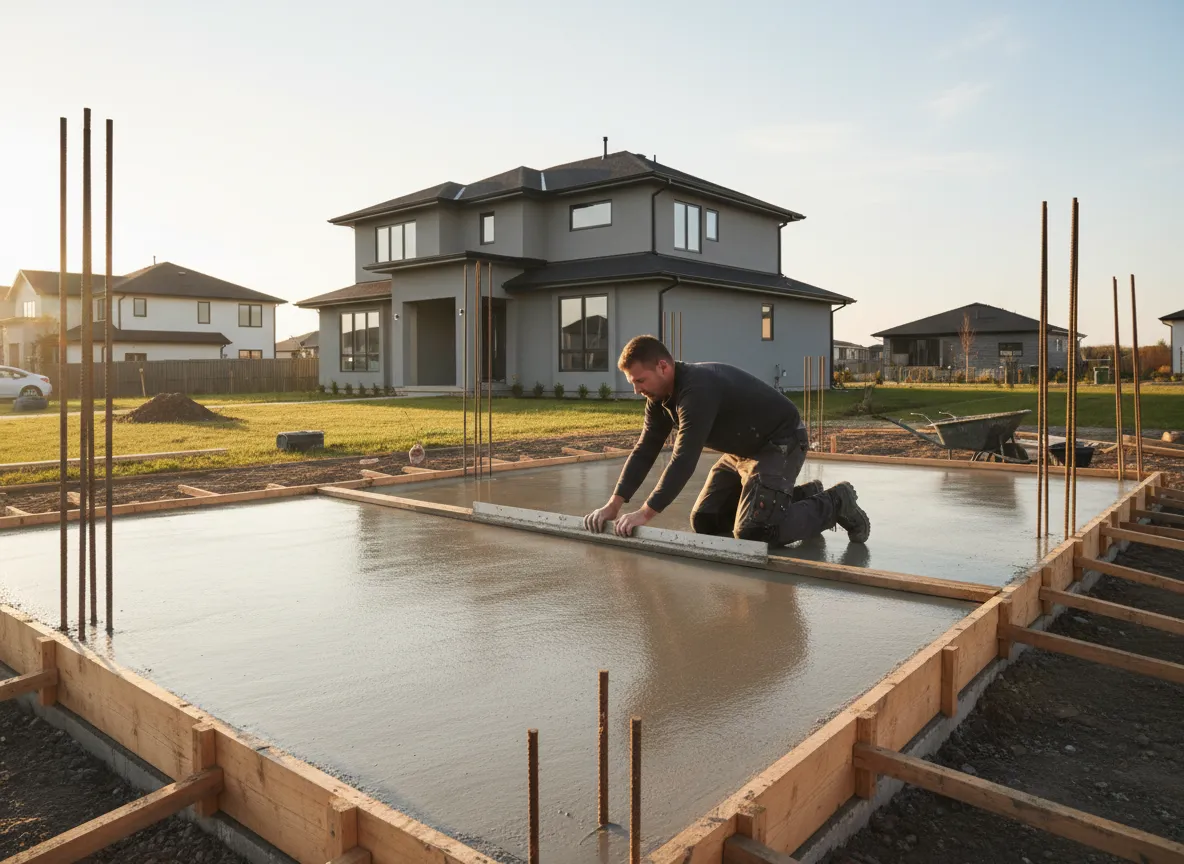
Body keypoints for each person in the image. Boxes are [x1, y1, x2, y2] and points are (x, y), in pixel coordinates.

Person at [583, 335, 870, 546]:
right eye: (632, 382)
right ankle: (801, 498)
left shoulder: (697, 391)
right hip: (741, 451)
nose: (636, 390)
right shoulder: (659, 399)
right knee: (707, 520)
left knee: (755, 532)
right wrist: (614, 505)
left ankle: (835, 502)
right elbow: (644, 450)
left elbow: (683, 459)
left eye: (640, 381)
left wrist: (644, 514)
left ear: (663, 366)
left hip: (779, 442)